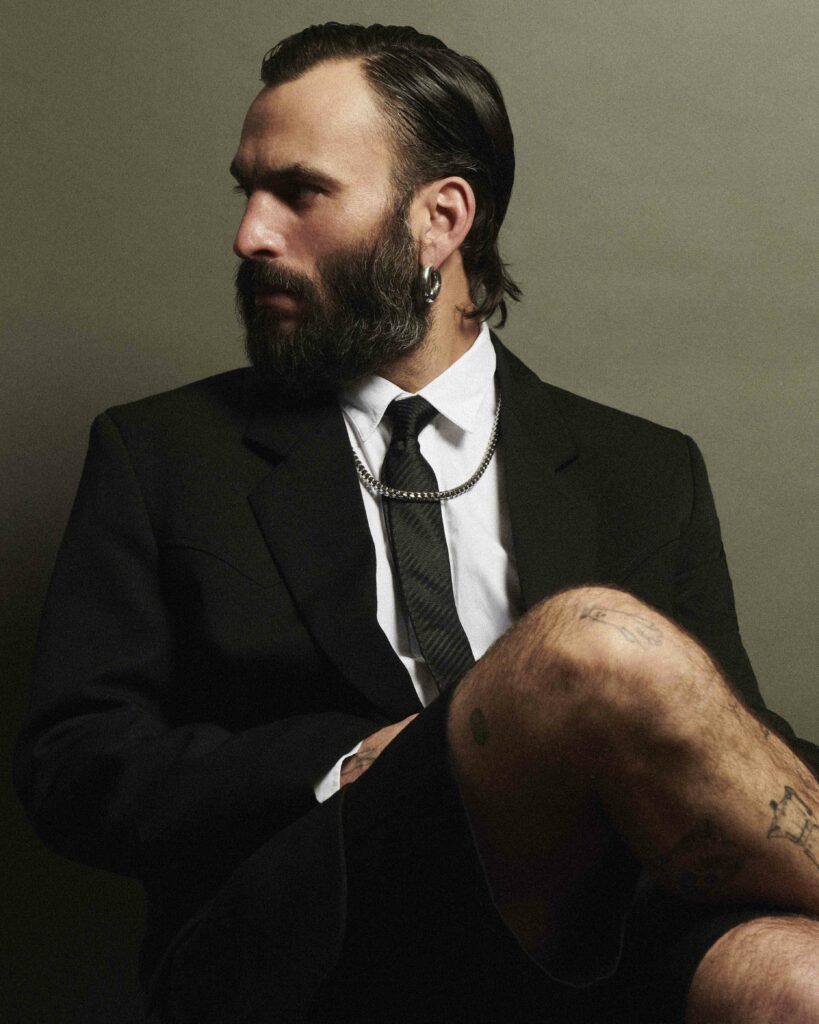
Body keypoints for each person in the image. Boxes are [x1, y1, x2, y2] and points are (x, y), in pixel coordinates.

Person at [15, 22, 819, 1024]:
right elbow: (74, 765)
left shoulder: (645, 469)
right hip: (321, 928)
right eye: (247, 191)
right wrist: (359, 761)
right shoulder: (161, 452)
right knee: (589, 642)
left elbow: (726, 744)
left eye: (300, 193)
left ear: (441, 218)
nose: (250, 234)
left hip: (604, 933)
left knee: (798, 980)